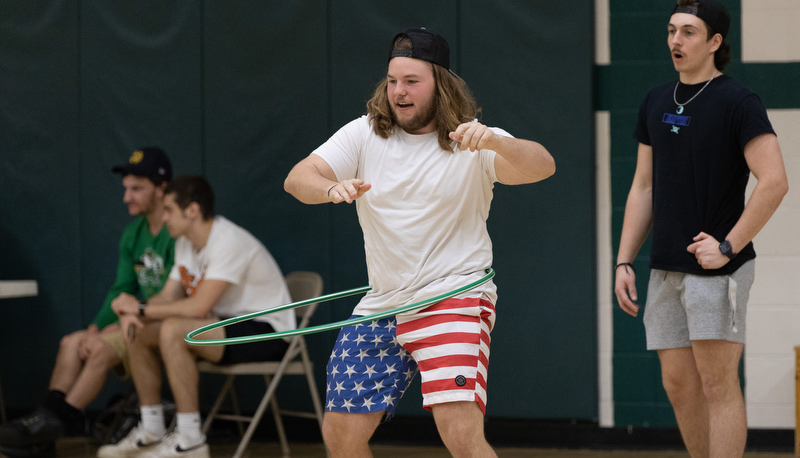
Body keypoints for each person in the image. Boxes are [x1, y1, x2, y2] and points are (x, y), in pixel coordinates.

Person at [284, 27, 555, 458]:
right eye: (392, 81)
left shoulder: (473, 139)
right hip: (383, 303)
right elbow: (298, 178)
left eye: (412, 82)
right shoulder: (363, 133)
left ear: (440, 85)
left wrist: (497, 141)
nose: (398, 92)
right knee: (340, 433)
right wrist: (329, 189)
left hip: (454, 297)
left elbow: (543, 165)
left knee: (460, 434)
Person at [613, 1, 788, 456]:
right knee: (678, 386)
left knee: (717, 384)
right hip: (665, 269)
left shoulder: (738, 101)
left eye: (689, 32)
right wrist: (624, 259)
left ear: (714, 43)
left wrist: (728, 246)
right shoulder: (655, 100)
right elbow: (644, 187)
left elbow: (774, 182)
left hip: (717, 269)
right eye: (672, 30)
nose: (676, 40)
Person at [98, 175, 295, 458]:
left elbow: (198, 307)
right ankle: (152, 430)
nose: (163, 218)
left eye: (169, 210)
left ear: (192, 210)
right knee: (140, 332)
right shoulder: (184, 243)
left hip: (268, 331)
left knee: (176, 330)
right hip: (222, 324)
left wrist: (138, 308)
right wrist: (134, 313)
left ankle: (191, 440)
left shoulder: (227, 241)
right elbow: (168, 296)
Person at [0, 147, 175, 456]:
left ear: (162, 188)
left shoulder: (176, 231)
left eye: (136, 189)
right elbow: (120, 289)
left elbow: (176, 297)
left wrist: (112, 330)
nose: (127, 198)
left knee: (97, 348)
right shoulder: (133, 233)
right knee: (73, 342)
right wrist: (97, 326)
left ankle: (50, 427)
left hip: (162, 324)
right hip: (133, 319)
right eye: (125, 189)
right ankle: (46, 425)